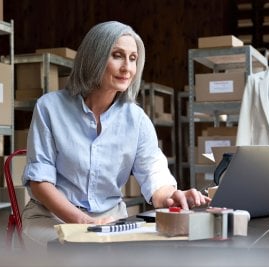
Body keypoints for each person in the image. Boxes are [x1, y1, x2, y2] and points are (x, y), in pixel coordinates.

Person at [21, 21, 210, 247]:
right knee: (75, 253)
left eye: (133, 59)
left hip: (111, 220)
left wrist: (172, 197)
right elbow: (39, 183)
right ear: (95, 57)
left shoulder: (137, 120)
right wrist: (85, 223)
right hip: (50, 218)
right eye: (118, 55)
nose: (127, 68)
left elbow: (153, 171)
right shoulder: (50, 108)